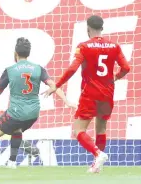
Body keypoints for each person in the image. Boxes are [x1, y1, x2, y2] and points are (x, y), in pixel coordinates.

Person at [43, 15, 131, 173]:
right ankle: (98, 165)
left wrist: (57, 85)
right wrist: (115, 77)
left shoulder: (84, 46)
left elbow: (72, 69)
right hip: (108, 93)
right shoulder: (115, 46)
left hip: (90, 93)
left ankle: (98, 154)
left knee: (78, 130)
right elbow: (126, 67)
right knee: (101, 128)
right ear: (102, 28)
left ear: (88, 29)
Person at [0, 37, 76, 168]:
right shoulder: (38, 69)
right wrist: (66, 101)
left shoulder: (10, 70)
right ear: (28, 53)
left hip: (16, 112)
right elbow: (54, 85)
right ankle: (12, 162)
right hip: (33, 113)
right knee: (17, 129)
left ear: (15, 53)